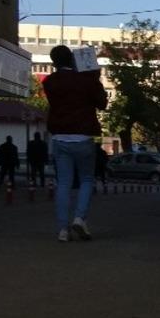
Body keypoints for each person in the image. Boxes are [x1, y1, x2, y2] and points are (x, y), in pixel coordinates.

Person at [43, 45, 108, 242]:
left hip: (60, 137)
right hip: (83, 136)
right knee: (87, 180)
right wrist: (94, 77)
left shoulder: (49, 82)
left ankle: (63, 229)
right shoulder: (86, 80)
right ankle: (80, 218)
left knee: (63, 182)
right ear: (72, 59)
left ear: (53, 62)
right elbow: (102, 103)